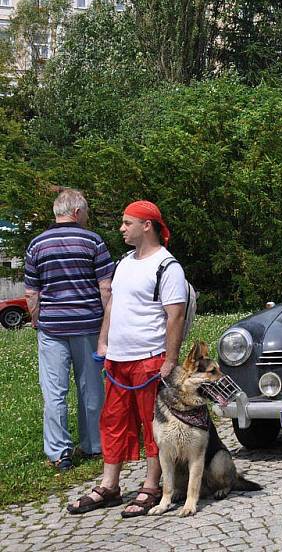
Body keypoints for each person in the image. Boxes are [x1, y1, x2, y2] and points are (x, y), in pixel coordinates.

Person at [67, 200, 187, 517]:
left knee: (152, 426)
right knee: (113, 421)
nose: (121, 228)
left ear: (147, 225)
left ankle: (152, 486)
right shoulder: (123, 263)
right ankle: (109, 485)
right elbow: (113, 306)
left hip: (149, 358)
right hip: (117, 361)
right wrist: (104, 340)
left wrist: (170, 360)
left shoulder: (167, 266)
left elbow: (174, 316)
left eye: (126, 222)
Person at [23, 189, 113, 471]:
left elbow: (31, 292)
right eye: (86, 212)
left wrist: (37, 319)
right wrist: (107, 323)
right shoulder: (93, 241)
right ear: (76, 212)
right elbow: (106, 287)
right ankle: (94, 445)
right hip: (88, 325)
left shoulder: (36, 245)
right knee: (91, 389)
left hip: (52, 328)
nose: (87, 217)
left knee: (54, 392)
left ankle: (59, 453)